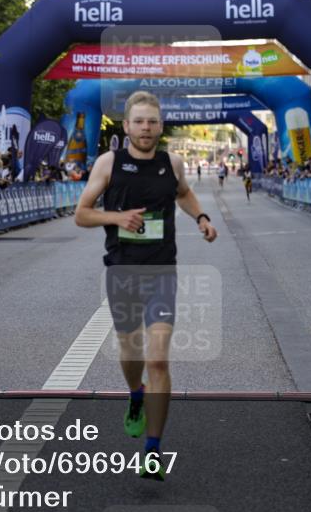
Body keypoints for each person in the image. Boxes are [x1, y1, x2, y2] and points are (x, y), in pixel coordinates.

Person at [74, 90, 217, 482]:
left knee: (158, 359)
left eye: (152, 121)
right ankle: (136, 394)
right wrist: (118, 219)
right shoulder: (109, 163)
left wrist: (201, 217)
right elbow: (82, 214)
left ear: (160, 125)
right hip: (121, 271)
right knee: (130, 350)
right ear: (126, 126)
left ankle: (152, 450)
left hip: (161, 273)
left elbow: (184, 194)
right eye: (139, 121)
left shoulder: (171, 163)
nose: (146, 128)